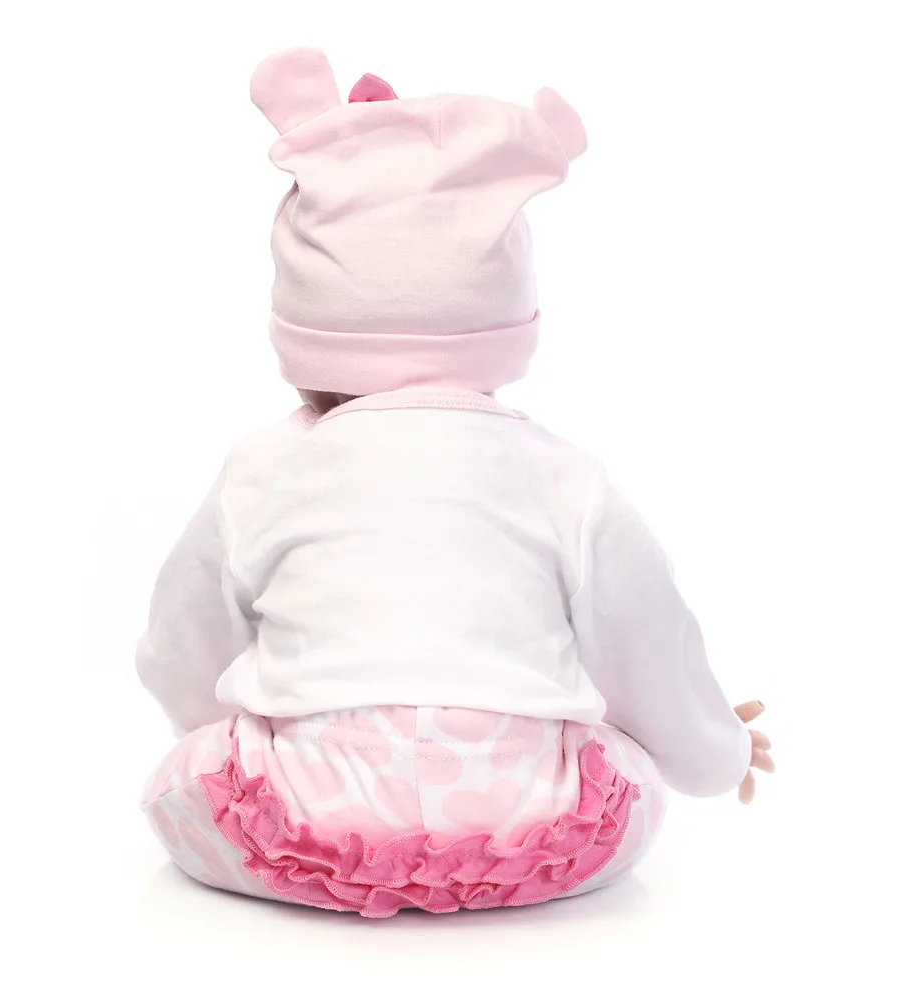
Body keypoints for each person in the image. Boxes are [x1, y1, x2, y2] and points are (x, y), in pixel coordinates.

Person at [137, 47, 773, 917]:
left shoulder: (263, 470)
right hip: (540, 830)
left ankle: (320, 861)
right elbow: (648, 640)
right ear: (506, 320)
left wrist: (220, 727)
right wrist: (716, 750)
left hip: (299, 823)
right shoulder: (562, 476)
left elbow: (181, 643)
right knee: (629, 767)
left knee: (175, 781)